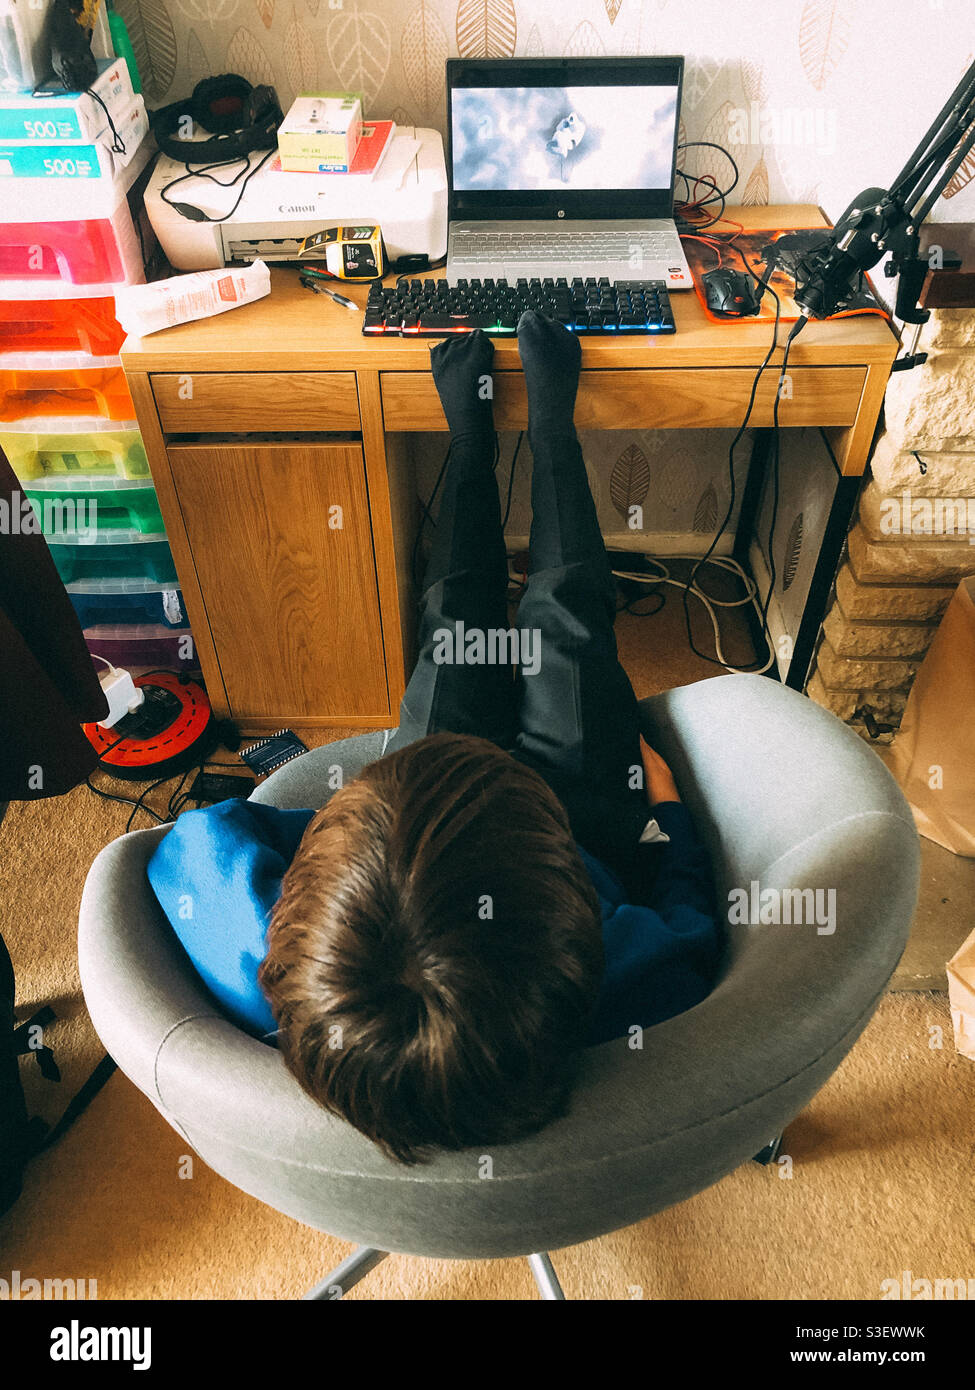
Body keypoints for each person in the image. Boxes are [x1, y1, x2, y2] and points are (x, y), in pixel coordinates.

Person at [147, 312, 724, 1165]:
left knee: (453, 622)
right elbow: (689, 918)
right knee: (564, 622)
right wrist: (667, 813)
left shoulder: (273, 963)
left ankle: (470, 437)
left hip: (411, 815)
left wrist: (349, 842)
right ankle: (552, 426)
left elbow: (190, 840)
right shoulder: (629, 979)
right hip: (579, 834)